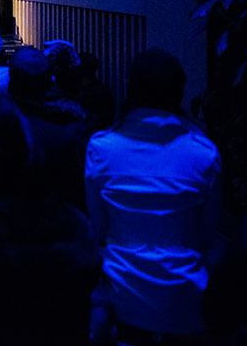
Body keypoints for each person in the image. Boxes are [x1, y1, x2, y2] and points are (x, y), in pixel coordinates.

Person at [85, 48, 221, 343]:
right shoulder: (204, 153)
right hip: (185, 298)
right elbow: (208, 236)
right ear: (179, 93)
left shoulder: (102, 148)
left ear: (130, 89)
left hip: (120, 295)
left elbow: (98, 230)